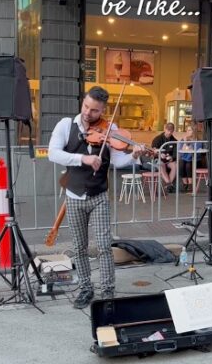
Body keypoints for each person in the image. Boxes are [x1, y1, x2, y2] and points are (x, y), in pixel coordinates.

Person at [48, 86, 145, 309]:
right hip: (74, 196)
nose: (88, 113)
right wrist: (83, 159)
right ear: (83, 101)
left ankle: (108, 291)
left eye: (95, 111)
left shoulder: (110, 129)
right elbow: (53, 153)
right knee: (79, 247)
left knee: (103, 246)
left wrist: (134, 155)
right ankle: (85, 288)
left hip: (99, 195)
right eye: (86, 107)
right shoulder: (65, 125)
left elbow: (118, 162)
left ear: (102, 110)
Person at [151, 122, 179, 190]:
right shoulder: (157, 139)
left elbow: (175, 153)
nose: (169, 132)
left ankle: (168, 185)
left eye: (171, 130)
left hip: (169, 161)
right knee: (161, 165)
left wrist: (171, 157)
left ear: (173, 131)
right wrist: (159, 154)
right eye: (168, 130)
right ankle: (169, 184)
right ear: (165, 129)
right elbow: (152, 151)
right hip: (159, 159)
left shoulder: (174, 141)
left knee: (175, 165)